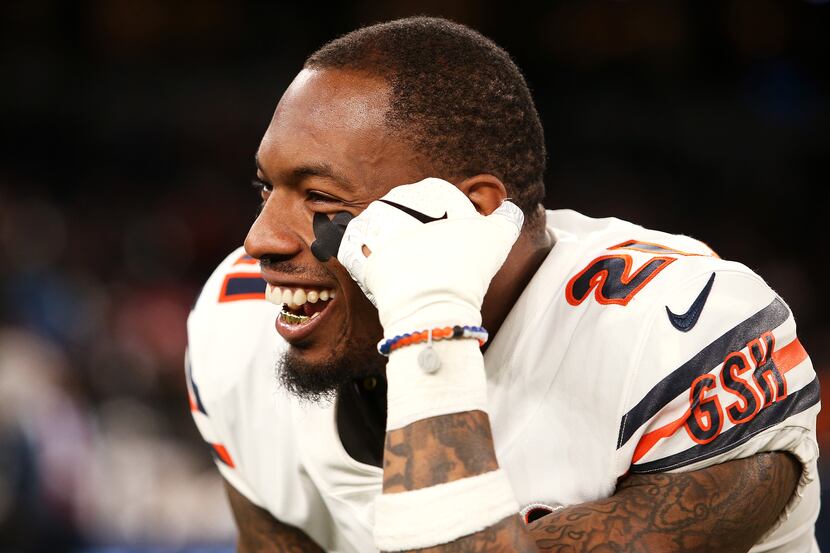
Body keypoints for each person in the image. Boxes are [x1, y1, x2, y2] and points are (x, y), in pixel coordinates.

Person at [186, 16, 820, 552]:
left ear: (473, 212)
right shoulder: (234, 325)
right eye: (268, 189)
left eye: (320, 197)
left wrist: (427, 322)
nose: (259, 240)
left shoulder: (675, 328)